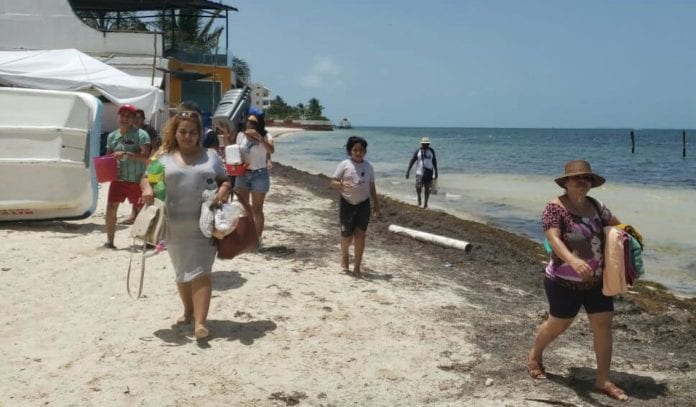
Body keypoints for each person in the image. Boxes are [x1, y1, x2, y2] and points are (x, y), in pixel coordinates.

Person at [528, 160, 628, 402]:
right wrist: (572, 260)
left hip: (597, 282)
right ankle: (534, 355)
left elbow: (617, 226)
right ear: (566, 182)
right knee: (558, 326)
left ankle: (602, 379)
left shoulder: (597, 206)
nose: (583, 182)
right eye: (577, 178)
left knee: (603, 326)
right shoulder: (555, 208)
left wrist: (630, 239)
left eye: (587, 178)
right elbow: (553, 238)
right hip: (563, 282)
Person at [140, 110, 231, 340]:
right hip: (173, 225)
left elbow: (225, 181)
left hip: (204, 223)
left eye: (193, 132)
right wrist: (148, 189)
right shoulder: (163, 157)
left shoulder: (211, 156)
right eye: (183, 131)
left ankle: (200, 323)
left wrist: (222, 191)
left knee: (202, 271)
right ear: (175, 132)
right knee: (182, 272)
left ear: (200, 133)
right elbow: (146, 178)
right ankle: (188, 311)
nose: (188, 136)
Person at [330, 136, 380, 277]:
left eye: (361, 150)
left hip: (363, 204)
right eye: (355, 150)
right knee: (346, 236)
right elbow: (332, 182)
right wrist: (340, 184)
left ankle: (357, 266)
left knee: (360, 235)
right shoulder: (345, 164)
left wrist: (376, 205)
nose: (358, 153)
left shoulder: (369, 166)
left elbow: (372, 186)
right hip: (347, 203)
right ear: (350, 151)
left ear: (365, 151)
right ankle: (344, 255)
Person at [103, 104, 151, 249]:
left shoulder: (141, 135)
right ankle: (110, 242)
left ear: (133, 119)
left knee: (144, 210)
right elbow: (108, 157)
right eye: (122, 115)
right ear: (118, 117)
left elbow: (146, 156)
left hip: (137, 179)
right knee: (111, 208)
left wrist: (127, 154)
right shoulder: (112, 136)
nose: (124, 118)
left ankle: (148, 241)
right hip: (118, 179)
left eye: (128, 116)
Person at [235, 111, 275, 249]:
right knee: (244, 207)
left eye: (253, 122)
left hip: (259, 175)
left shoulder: (266, 135)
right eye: (248, 121)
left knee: (257, 209)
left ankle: (257, 240)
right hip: (242, 174)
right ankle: (245, 237)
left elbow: (272, 150)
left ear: (259, 124)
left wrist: (259, 138)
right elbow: (235, 151)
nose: (249, 124)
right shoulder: (241, 135)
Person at [405, 137, 438, 209]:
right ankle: (419, 198)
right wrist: (408, 171)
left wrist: (436, 172)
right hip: (419, 172)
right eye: (424, 144)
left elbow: (434, 161)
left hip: (429, 172)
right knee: (418, 187)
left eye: (427, 144)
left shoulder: (431, 151)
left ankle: (425, 204)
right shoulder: (418, 151)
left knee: (427, 188)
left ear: (429, 144)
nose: (426, 145)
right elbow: (412, 161)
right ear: (421, 144)